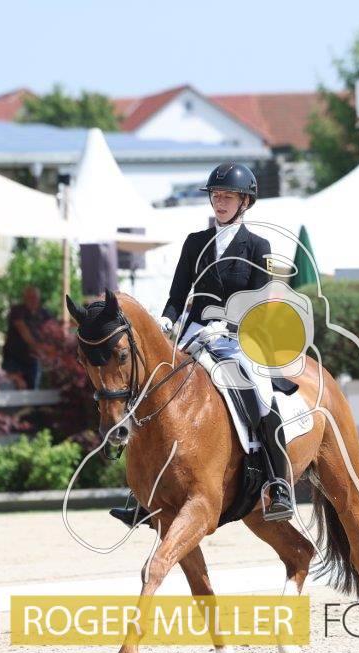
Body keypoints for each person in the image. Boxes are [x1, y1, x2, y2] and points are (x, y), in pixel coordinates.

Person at [109, 162, 294, 527]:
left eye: (227, 197)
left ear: (245, 202)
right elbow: (178, 295)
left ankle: (278, 483)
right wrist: (166, 320)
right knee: (150, 389)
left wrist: (227, 325)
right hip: (194, 335)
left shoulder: (259, 246)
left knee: (260, 395)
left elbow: (257, 302)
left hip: (239, 339)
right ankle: (142, 493)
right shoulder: (196, 242)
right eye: (216, 196)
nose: (220, 202)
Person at [2, 285, 51, 390]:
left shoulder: (44, 313)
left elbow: (52, 329)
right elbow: (22, 329)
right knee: (15, 386)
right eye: (30, 297)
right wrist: (36, 347)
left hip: (32, 360)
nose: (32, 300)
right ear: (24, 298)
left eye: (35, 297)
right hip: (14, 357)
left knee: (32, 387)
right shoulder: (17, 310)